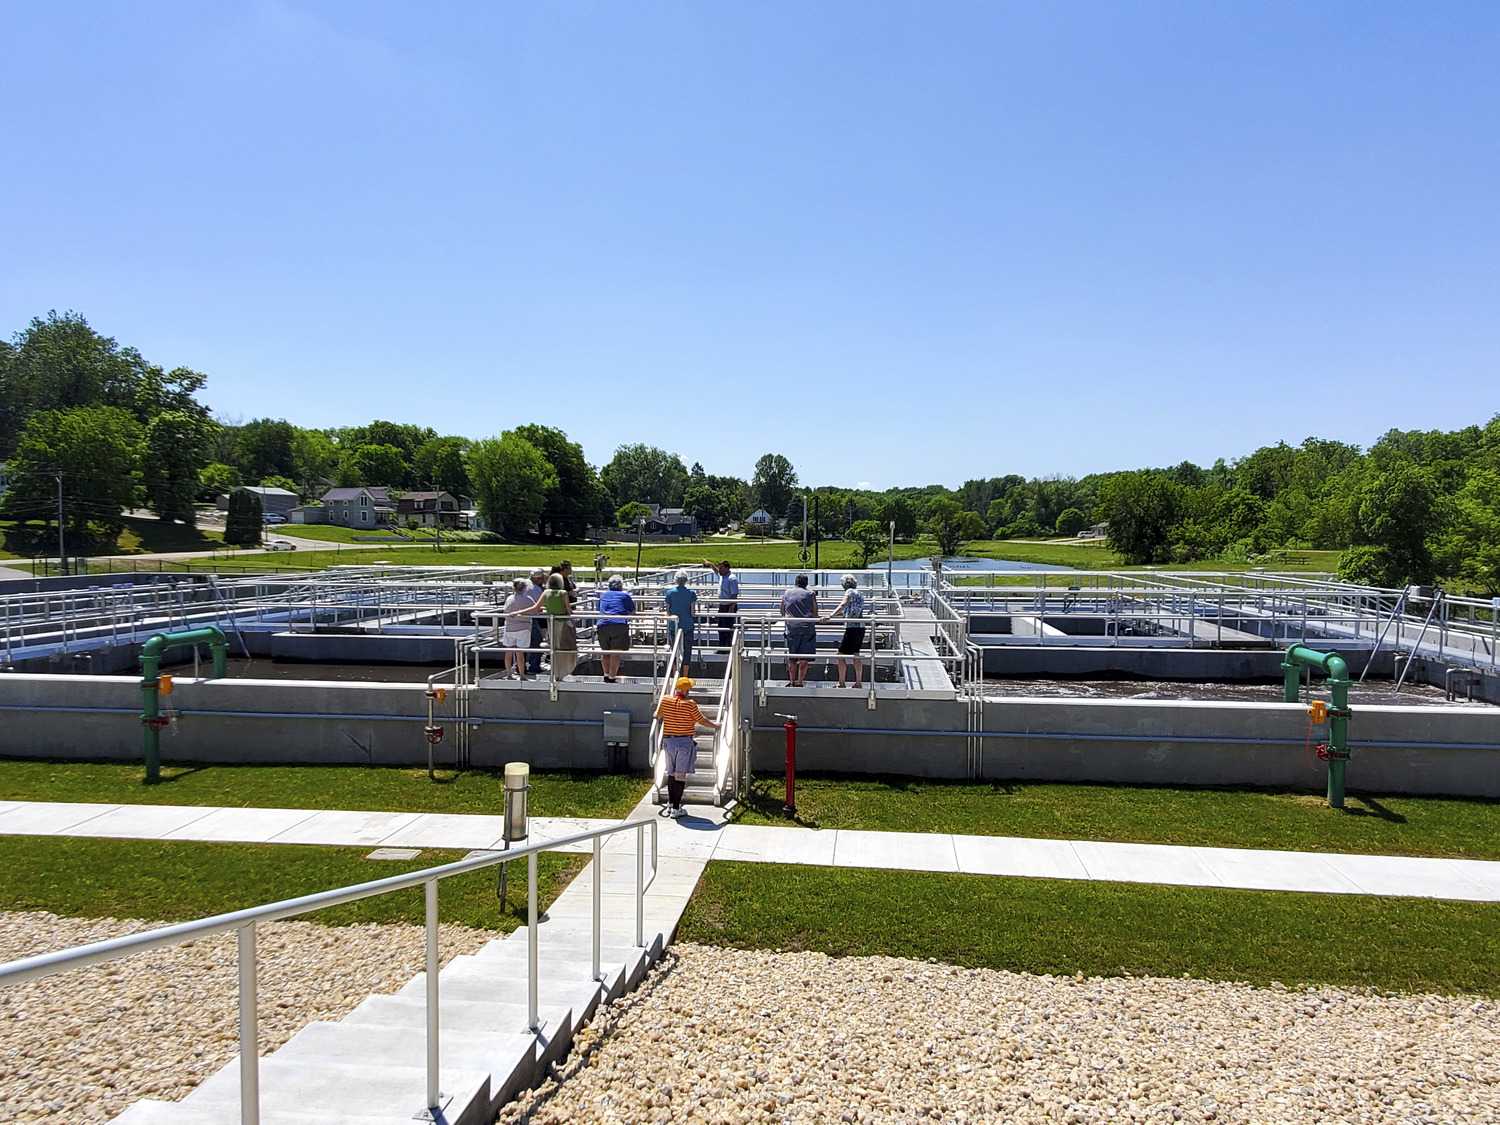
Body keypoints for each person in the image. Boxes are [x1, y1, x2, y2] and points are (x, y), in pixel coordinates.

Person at [654, 675, 718, 818]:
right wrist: (716, 726)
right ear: (687, 691)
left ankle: (671, 804)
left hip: (668, 742)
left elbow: (657, 715)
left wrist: (659, 715)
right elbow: (702, 720)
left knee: (671, 773)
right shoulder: (690, 704)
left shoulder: (665, 700)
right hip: (684, 742)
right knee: (680, 775)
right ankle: (676, 809)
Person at [822, 574, 867, 688]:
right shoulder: (860, 594)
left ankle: (841, 682)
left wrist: (831, 615)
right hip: (860, 627)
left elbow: (843, 604)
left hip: (851, 627)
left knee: (840, 655)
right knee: (856, 655)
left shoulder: (849, 592)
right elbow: (852, 609)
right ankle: (858, 682)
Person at [781, 574, 819, 687]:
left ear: (795, 582)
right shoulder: (810, 594)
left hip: (791, 628)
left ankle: (792, 681)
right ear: (806, 583)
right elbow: (815, 611)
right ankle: (800, 682)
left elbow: (782, 610)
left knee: (792, 657)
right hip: (807, 628)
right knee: (804, 658)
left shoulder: (787, 592)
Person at [596, 573, 635, 683]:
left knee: (605, 652)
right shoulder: (624, 595)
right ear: (621, 585)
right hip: (618, 625)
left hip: (602, 625)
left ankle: (606, 675)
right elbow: (632, 610)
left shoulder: (603, 595)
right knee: (615, 653)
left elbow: (600, 608)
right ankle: (612, 678)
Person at [662, 569, 698, 675]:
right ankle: (685, 675)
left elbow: (667, 610)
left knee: (674, 650)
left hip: (675, 625)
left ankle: (675, 675)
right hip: (688, 625)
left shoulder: (670, 593)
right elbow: (692, 611)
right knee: (687, 651)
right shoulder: (691, 593)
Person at [543, 572, 578, 680]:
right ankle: (561, 674)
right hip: (562, 624)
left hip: (551, 624)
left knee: (554, 648)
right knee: (564, 648)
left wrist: (519, 611)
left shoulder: (546, 593)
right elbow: (568, 610)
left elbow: (536, 606)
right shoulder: (563, 593)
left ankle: (555, 673)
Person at [501, 577, 536, 679]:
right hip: (523, 628)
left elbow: (505, 610)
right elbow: (535, 609)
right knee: (519, 653)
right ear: (524, 588)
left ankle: (508, 674)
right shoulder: (527, 599)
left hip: (509, 627)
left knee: (508, 652)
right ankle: (522, 675)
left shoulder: (509, 598)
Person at [702, 558, 739, 648]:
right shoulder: (722, 576)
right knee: (720, 627)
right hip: (722, 606)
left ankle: (728, 646)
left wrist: (731, 609)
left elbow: (734, 595)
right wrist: (710, 564)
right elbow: (716, 571)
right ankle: (722, 646)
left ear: (727, 568)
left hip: (729, 606)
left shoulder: (732, 579)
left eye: (721, 568)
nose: (719, 570)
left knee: (728, 627)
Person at [521, 568, 547, 675]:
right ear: (539, 578)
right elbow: (539, 605)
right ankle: (534, 666)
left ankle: (520, 667)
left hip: (520, 618)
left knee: (521, 643)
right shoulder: (536, 590)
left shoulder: (525, 584)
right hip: (531, 617)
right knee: (536, 641)